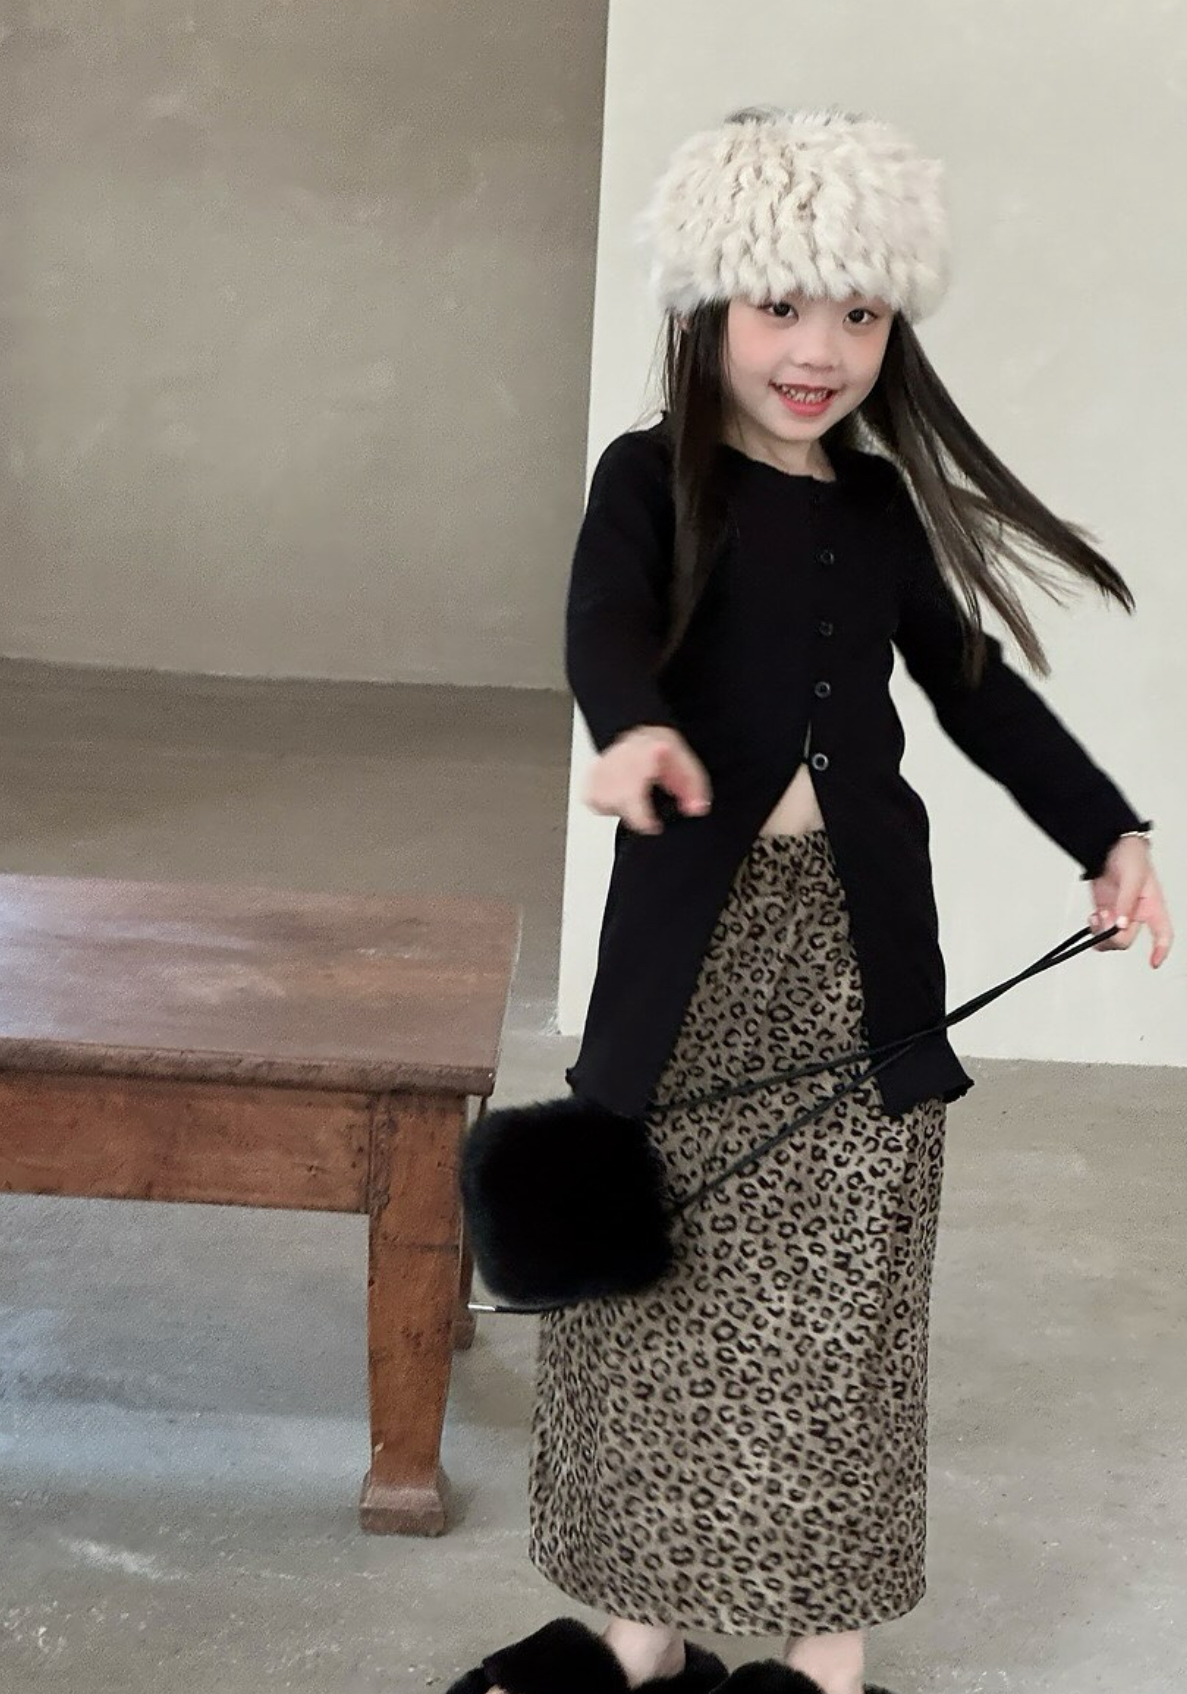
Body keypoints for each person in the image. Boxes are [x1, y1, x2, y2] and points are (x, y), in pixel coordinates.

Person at [447, 106, 1173, 1694]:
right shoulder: (649, 478)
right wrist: (629, 723)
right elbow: (602, 620)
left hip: (856, 958)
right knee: (655, 1285)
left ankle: (821, 1658)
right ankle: (640, 1634)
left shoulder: (875, 508)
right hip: (687, 964)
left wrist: (1106, 830)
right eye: (783, 305)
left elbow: (977, 690)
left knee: (840, 1306)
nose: (821, 349)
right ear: (710, 305)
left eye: (859, 312)